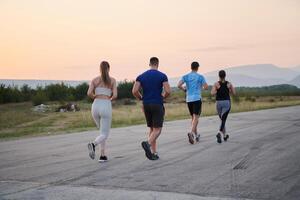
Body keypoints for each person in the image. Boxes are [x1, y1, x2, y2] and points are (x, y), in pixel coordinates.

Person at [132, 57, 171, 160]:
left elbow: (134, 91)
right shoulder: (162, 76)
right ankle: (147, 143)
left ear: (149, 64)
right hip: (157, 103)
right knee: (158, 129)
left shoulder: (141, 76)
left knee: (152, 129)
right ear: (157, 64)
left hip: (146, 104)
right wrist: (163, 97)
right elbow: (168, 91)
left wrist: (141, 98)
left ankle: (153, 152)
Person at [87, 61, 117, 162]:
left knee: (101, 132)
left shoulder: (95, 80)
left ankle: (103, 155)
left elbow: (89, 93)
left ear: (100, 69)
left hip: (95, 105)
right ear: (109, 68)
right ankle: (93, 144)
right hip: (105, 104)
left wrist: (95, 96)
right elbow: (115, 95)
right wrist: (109, 99)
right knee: (105, 134)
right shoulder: (112, 80)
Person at [177, 62, 208, 144]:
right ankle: (191, 133)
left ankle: (196, 135)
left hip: (189, 99)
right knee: (196, 117)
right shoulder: (200, 77)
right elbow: (206, 87)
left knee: (193, 118)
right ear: (197, 68)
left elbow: (179, 85)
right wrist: (201, 87)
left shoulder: (186, 76)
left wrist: (184, 89)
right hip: (197, 98)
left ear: (191, 67)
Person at [211, 70, 236, 143]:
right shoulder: (229, 84)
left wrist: (218, 90)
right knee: (223, 120)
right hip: (226, 103)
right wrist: (229, 89)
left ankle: (224, 135)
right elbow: (234, 93)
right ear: (225, 76)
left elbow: (212, 93)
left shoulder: (216, 84)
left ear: (219, 76)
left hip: (218, 103)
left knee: (222, 120)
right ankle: (219, 133)